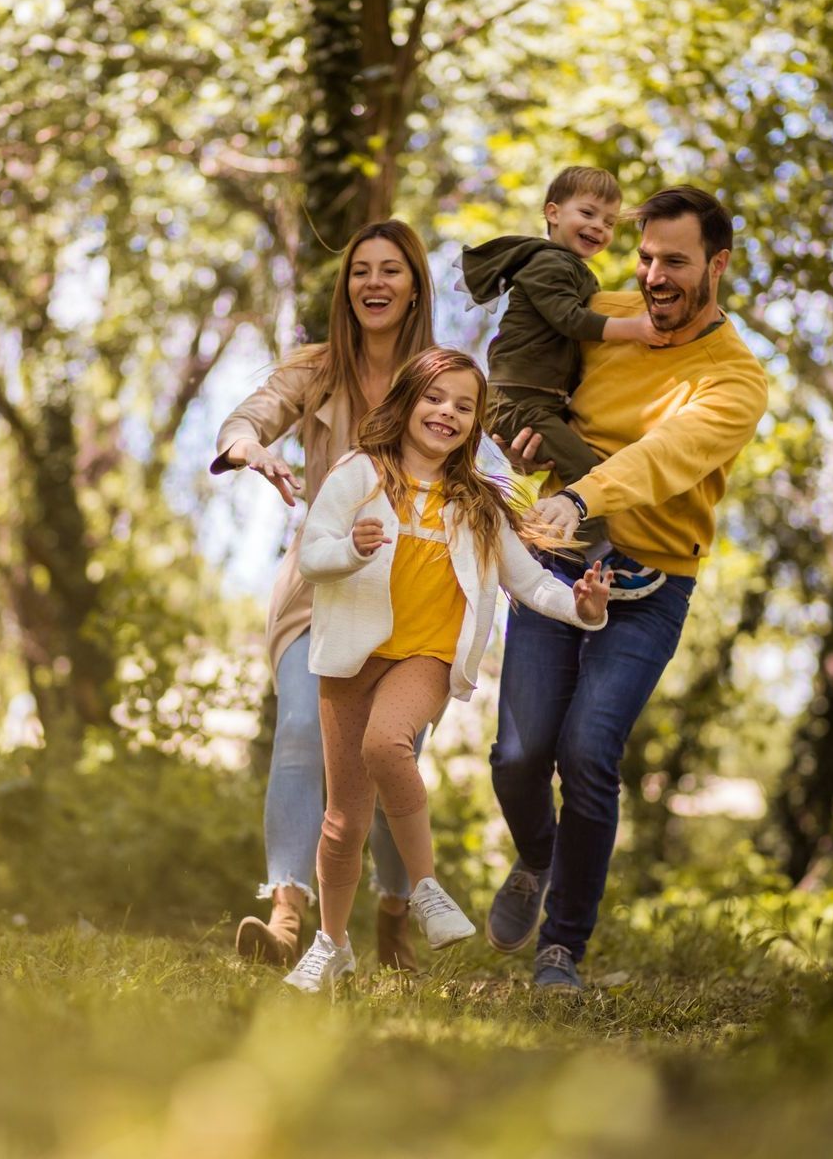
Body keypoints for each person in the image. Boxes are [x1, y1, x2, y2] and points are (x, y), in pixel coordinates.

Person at [484, 185, 770, 991]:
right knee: (516, 754)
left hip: (651, 582)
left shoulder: (735, 379)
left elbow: (665, 456)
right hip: (556, 558)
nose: (653, 277)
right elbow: (520, 371)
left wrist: (581, 494)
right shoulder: (604, 313)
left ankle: (561, 947)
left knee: (586, 752)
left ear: (717, 265)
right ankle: (537, 858)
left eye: (674, 261)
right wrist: (519, 433)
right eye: (645, 257)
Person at [281, 347, 613, 993]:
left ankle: (426, 887)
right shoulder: (359, 475)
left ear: (474, 424)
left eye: (465, 407)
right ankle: (332, 943)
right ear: (407, 401)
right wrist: (350, 550)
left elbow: (530, 582)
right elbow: (313, 555)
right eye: (436, 399)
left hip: (426, 657)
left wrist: (581, 607)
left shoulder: (480, 504)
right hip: (353, 654)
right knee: (343, 819)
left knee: (387, 744)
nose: (447, 414)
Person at [211, 219, 436, 973]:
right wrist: (251, 447)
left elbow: (490, 458)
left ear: (414, 288)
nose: (374, 283)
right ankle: (285, 920)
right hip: (322, 583)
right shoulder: (315, 369)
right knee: (304, 730)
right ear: (347, 289)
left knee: (388, 753)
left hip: (413, 594)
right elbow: (246, 417)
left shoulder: (441, 378)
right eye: (361, 271)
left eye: (390, 271)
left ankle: (394, 914)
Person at [458, 166, 669, 595]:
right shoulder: (549, 263)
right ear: (552, 213)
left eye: (609, 222)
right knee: (585, 470)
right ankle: (601, 560)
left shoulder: (568, 266)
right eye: (588, 213)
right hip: (518, 400)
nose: (598, 227)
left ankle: (554, 548)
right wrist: (635, 328)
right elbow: (569, 320)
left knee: (581, 462)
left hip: (534, 400)